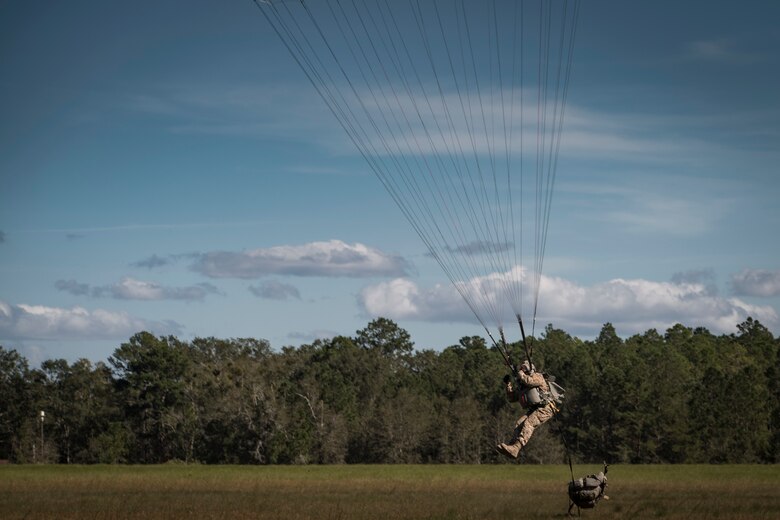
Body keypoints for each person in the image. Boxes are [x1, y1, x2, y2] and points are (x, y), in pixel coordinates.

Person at [496, 360, 557, 459]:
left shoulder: (538, 376)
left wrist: (520, 374)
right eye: (521, 368)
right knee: (519, 423)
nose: (522, 370)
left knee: (529, 423)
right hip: (535, 409)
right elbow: (512, 398)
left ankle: (516, 447)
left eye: (524, 368)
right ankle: (511, 446)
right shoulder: (523, 384)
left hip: (546, 408)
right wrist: (508, 384)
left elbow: (529, 381)